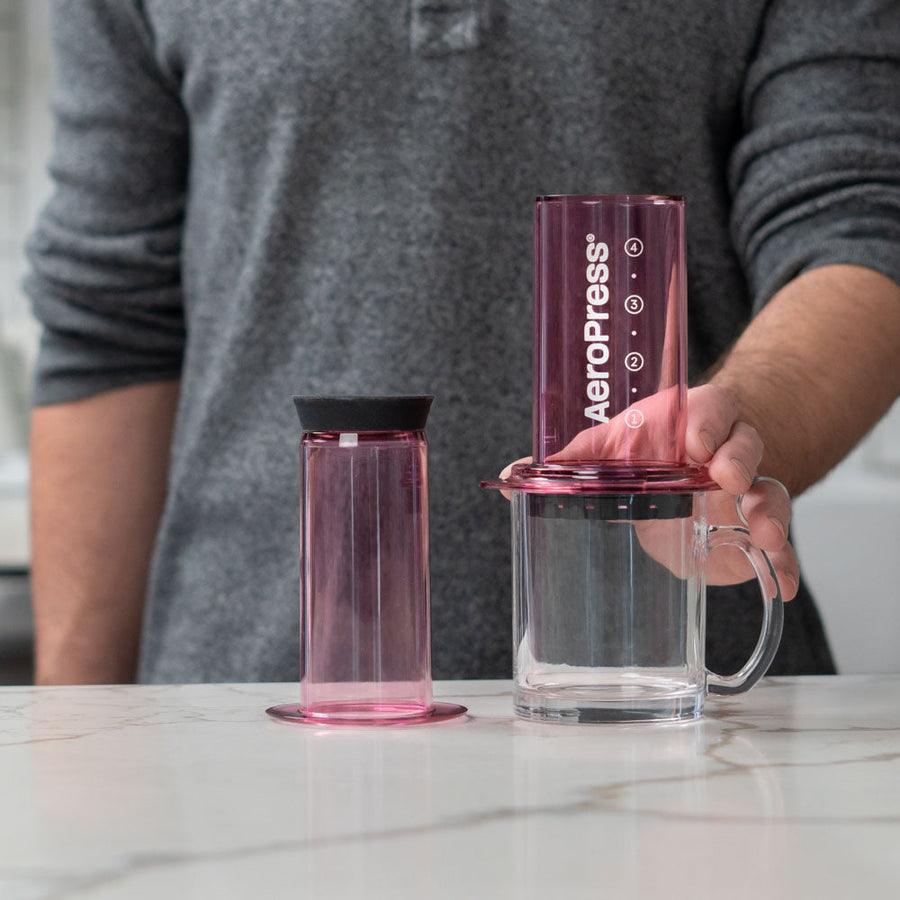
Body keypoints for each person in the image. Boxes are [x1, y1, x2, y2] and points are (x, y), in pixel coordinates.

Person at [26, 0, 900, 684]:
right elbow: (110, 319)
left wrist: (739, 421)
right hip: (241, 733)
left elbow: (861, 228)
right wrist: (73, 775)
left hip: (682, 709)